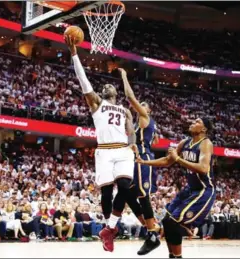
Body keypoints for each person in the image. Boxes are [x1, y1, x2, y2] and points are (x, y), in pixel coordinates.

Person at [65, 35, 141, 252]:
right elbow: (83, 81)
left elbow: (131, 131)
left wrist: (134, 143)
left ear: (116, 92)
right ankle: (110, 232)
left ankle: (109, 228)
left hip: (123, 150)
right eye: (104, 85)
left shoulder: (125, 110)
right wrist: (74, 54)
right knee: (107, 193)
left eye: (110, 84)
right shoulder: (96, 103)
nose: (107, 85)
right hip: (105, 151)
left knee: (125, 188)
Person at [137, 118, 215, 258]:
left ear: (204, 129)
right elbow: (168, 160)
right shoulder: (185, 142)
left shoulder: (205, 143)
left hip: (203, 191)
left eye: (196, 122)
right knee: (167, 220)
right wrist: (144, 162)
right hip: (190, 189)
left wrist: (178, 159)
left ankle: (188, 230)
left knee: (173, 222)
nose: (192, 122)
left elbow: (203, 168)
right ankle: (174, 255)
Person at [119, 68, 160, 255]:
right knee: (128, 194)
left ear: (148, 110)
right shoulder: (139, 124)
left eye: (143, 105)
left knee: (143, 196)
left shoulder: (144, 117)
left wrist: (124, 77)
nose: (140, 106)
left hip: (144, 160)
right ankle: (152, 228)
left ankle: (152, 234)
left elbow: (129, 96)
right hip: (136, 159)